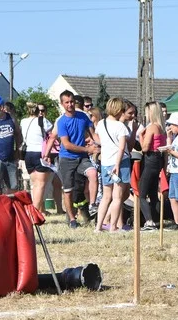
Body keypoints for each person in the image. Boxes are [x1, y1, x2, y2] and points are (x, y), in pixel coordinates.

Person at [55, 90, 98, 228]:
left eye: (72, 101)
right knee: (68, 190)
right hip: (67, 159)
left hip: (82, 157)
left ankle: (92, 205)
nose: (70, 104)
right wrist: (87, 149)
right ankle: (72, 219)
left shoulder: (83, 117)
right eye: (67, 102)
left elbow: (94, 135)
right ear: (62, 104)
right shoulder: (61, 122)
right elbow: (66, 144)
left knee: (93, 173)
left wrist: (101, 144)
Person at [95, 97, 132, 233]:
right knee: (117, 197)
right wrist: (117, 164)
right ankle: (113, 227)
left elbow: (98, 139)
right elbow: (122, 147)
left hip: (105, 163)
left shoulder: (101, 123)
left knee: (105, 197)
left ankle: (98, 226)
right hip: (120, 163)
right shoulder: (120, 126)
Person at [137, 101, 166, 231]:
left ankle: (149, 221)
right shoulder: (162, 127)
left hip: (150, 159)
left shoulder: (152, 127)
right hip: (158, 160)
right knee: (153, 193)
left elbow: (145, 148)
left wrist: (140, 136)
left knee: (141, 193)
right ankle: (156, 219)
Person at [21, 103, 54, 212]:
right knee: (41, 185)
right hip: (40, 153)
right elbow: (52, 131)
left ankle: (36, 209)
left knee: (35, 184)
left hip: (28, 154)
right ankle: (34, 211)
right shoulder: (42, 120)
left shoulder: (23, 121)